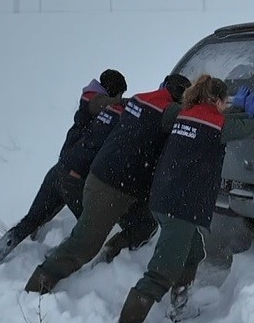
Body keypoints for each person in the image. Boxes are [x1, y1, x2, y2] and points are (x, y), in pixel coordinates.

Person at [114, 75, 254, 323]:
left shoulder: (184, 113)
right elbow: (249, 130)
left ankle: (179, 308)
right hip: (179, 205)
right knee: (161, 271)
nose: (225, 107)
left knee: (193, 253)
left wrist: (237, 109)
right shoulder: (214, 122)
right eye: (225, 102)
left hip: (163, 199)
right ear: (217, 100)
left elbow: (219, 122)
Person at [23, 73, 192, 294]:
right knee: (85, 243)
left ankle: (109, 255)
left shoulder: (139, 99)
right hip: (110, 184)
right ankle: (36, 288)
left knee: (144, 224)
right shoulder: (167, 111)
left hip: (121, 182)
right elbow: (196, 122)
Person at [0, 69, 127, 287]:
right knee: (90, 229)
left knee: (31, 220)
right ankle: (56, 267)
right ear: (113, 91)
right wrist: (129, 104)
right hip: (73, 179)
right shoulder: (92, 99)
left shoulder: (94, 104)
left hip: (59, 172)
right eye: (119, 94)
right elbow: (100, 104)